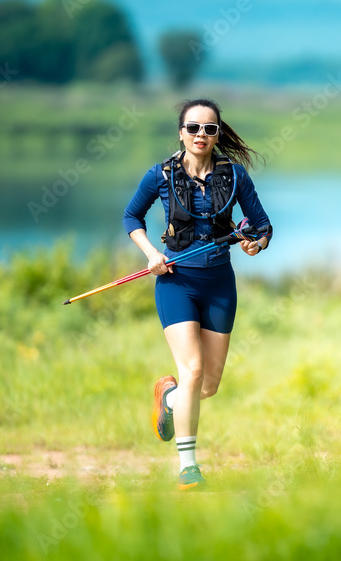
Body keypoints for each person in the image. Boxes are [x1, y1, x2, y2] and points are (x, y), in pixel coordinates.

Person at [122, 98, 271, 489]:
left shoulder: (236, 176)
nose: (200, 135)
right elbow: (130, 216)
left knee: (207, 385)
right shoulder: (161, 175)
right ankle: (188, 467)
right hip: (177, 282)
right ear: (181, 132)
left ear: (217, 133)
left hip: (220, 284)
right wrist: (153, 254)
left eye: (209, 128)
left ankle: (168, 398)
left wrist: (256, 244)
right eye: (193, 128)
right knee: (192, 370)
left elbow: (261, 226)